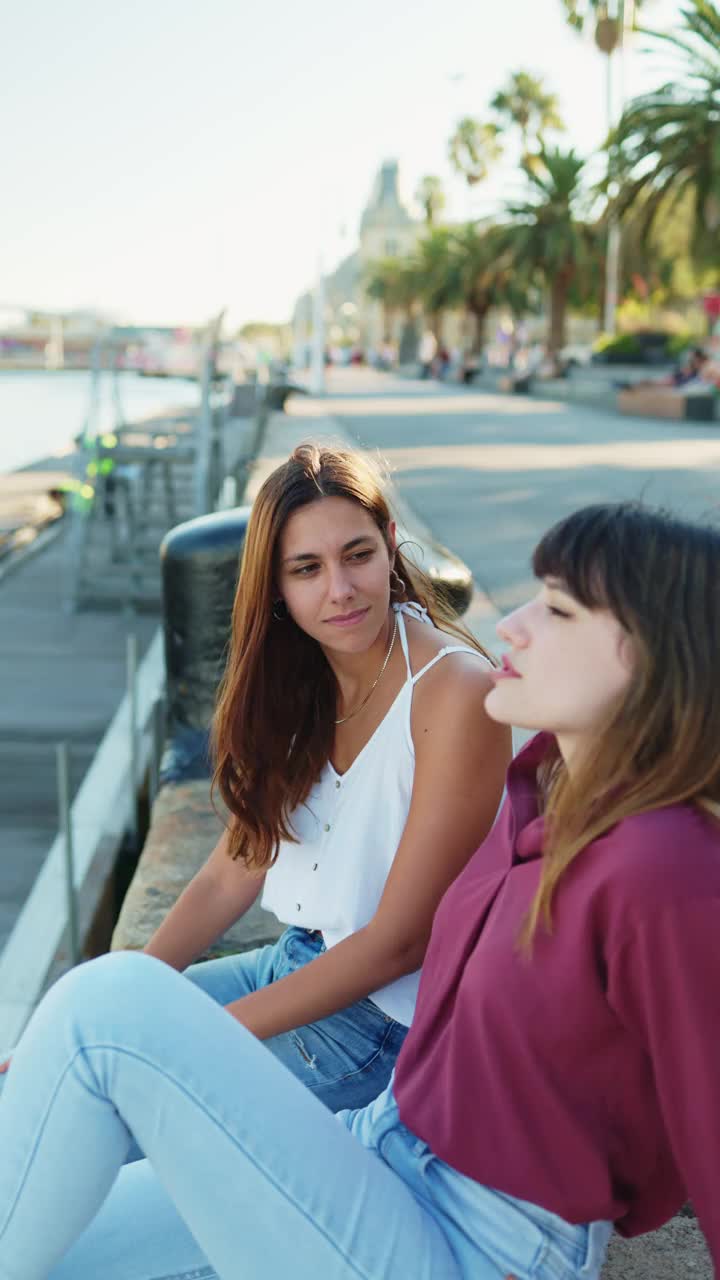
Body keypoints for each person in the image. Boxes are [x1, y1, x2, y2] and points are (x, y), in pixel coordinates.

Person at [3, 500, 720, 1280]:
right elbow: (235, 866)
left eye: (556, 607)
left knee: (101, 1012)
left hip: (480, 1242)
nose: (510, 624)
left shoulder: (663, 867)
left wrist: (202, 1040)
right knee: (58, 1235)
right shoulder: (545, 794)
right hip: (383, 1152)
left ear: (654, 653)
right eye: (306, 569)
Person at [0, 441, 508, 1113]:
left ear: (390, 544)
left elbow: (398, 944)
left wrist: (187, 1041)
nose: (341, 589)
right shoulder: (299, 682)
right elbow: (230, 870)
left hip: (385, 1025)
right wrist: (126, 1001)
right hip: (298, 962)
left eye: (358, 554)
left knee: (111, 1109)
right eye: (307, 569)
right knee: (70, 1043)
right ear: (275, 584)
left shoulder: (454, 693)